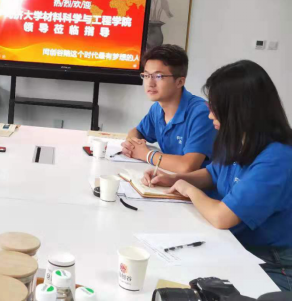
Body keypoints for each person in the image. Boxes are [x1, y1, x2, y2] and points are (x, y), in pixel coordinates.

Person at [142, 60, 292, 291]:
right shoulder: (240, 138)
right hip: (232, 243)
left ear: (240, 110)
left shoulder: (277, 157)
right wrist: (175, 179)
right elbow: (213, 173)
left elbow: (222, 217)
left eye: (215, 107)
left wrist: (188, 189)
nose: (210, 114)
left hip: (271, 262)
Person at [122, 45, 217, 173]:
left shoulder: (202, 113)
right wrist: (132, 144)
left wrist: (146, 154)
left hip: (199, 185)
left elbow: (188, 166)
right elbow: (137, 131)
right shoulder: (157, 109)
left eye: (158, 76)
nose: (150, 83)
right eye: (146, 75)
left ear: (180, 82)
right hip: (170, 179)